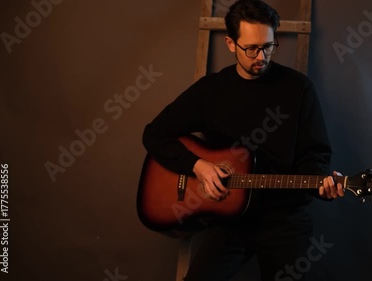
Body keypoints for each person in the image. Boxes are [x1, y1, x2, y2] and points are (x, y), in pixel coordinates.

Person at [142, 0, 345, 280]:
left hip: (285, 222)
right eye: (251, 48)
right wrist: (197, 165)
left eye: (268, 47)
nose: (260, 57)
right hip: (229, 220)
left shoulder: (298, 89)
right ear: (230, 43)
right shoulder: (211, 90)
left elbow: (315, 154)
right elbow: (154, 134)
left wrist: (321, 183)